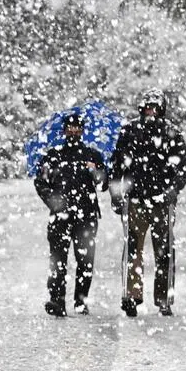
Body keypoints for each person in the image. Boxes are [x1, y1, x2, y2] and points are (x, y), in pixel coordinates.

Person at [109, 88, 186, 317]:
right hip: (135, 200)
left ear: (162, 109)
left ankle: (164, 298)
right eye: (147, 107)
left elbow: (184, 167)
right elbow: (117, 166)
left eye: (155, 108)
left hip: (162, 202)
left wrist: (173, 189)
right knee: (133, 250)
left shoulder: (171, 133)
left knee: (164, 251)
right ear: (141, 108)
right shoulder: (129, 131)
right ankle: (131, 296)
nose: (150, 112)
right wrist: (116, 195)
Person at [34, 112, 108, 317]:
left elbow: (104, 185)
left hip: (87, 214)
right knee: (58, 258)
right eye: (70, 128)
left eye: (77, 128)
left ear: (83, 131)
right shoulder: (53, 155)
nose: (73, 131)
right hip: (60, 215)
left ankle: (81, 300)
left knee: (85, 260)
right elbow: (40, 182)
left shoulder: (92, 155)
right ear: (64, 130)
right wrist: (53, 201)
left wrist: (96, 172)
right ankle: (56, 300)